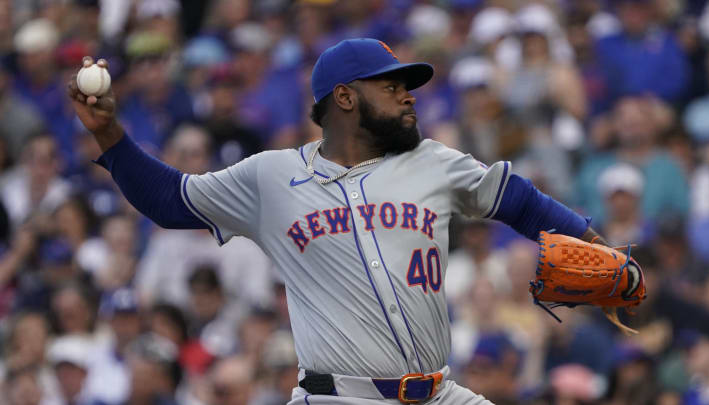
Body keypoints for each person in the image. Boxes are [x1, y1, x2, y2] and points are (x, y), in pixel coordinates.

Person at [69, 38, 608, 404]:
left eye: (406, 85)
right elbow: (170, 200)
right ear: (345, 98)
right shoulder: (272, 178)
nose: (407, 95)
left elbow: (518, 201)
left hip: (438, 392)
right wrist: (110, 136)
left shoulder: (434, 162)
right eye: (391, 86)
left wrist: (591, 241)